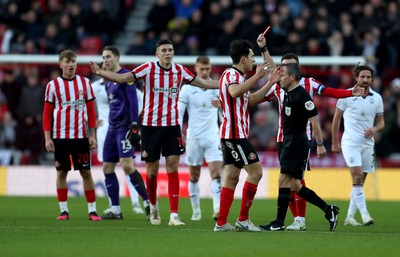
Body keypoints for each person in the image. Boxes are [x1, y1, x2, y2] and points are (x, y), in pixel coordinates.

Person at [90, 39, 219, 226]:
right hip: (150, 127)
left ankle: (174, 215)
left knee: (173, 167)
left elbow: (204, 83)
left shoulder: (179, 70)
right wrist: (101, 72)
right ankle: (153, 205)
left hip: (172, 126)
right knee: (151, 172)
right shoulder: (148, 68)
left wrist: (227, 83)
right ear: (157, 54)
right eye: (164, 50)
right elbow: (123, 78)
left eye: (170, 50)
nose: (168, 53)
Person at [256, 34, 364, 231]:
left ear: (295, 70)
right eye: (281, 66)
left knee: (288, 180)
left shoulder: (307, 85)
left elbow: (329, 93)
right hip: (283, 137)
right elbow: (271, 71)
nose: (281, 70)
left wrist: (350, 92)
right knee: (294, 184)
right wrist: (263, 49)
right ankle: (327, 209)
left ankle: (295, 220)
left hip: (299, 139)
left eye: (287, 67)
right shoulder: (280, 85)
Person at [258, 63, 339, 232]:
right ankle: (328, 209)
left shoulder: (302, 96)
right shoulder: (287, 91)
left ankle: (279, 222)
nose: (280, 78)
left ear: (292, 77)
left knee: (283, 180)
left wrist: (319, 144)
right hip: (289, 141)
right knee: (295, 185)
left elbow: (314, 120)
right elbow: (272, 76)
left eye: (283, 75)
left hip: (296, 142)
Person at [214, 39, 279, 232]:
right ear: (243, 59)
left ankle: (222, 223)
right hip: (234, 135)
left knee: (232, 176)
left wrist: (269, 83)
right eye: (252, 57)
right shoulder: (231, 74)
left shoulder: (239, 77)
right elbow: (234, 92)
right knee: (256, 172)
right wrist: (257, 76)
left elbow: (250, 100)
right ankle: (243, 219)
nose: (253, 61)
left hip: (233, 134)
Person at [42, 49, 101, 221]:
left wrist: (92, 135)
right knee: (61, 173)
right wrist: (47, 137)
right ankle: (63, 211)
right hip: (60, 136)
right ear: (61, 65)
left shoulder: (85, 83)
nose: (71, 65)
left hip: (81, 136)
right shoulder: (52, 86)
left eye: (73, 62)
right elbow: (47, 113)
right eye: (67, 62)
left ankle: (92, 211)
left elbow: (91, 110)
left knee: (86, 172)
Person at [96, 46, 150, 220]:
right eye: (103, 57)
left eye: (108, 57)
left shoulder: (127, 76)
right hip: (112, 128)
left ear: (117, 58)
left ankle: (148, 202)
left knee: (127, 165)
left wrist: (134, 125)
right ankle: (116, 209)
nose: (105, 60)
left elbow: (133, 101)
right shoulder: (108, 81)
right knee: (107, 167)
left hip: (124, 128)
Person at [332, 63, 384, 226]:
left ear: (372, 79)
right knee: (357, 176)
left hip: (368, 145)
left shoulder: (377, 98)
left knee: (359, 182)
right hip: (350, 143)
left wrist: (374, 129)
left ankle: (349, 217)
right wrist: (334, 142)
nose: (365, 79)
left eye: (368, 77)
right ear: (356, 78)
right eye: (362, 76)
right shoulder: (347, 95)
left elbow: (381, 122)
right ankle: (365, 215)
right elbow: (336, 119)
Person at [178, 56, 222, 221]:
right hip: (193, 137)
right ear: (195, 69)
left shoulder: (217, 87)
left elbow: (223, 113)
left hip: (212, 135)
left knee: (216, 173)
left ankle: (217, 209)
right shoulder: (187, 89)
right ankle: (196, 210)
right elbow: (179, 112)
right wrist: (178, 132)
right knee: (194, 175)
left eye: (207, 69)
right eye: (201, 69)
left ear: (211, 68)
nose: (204, 72)